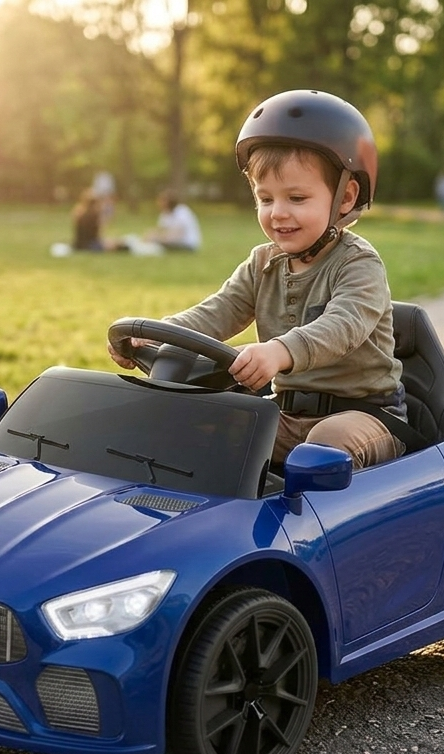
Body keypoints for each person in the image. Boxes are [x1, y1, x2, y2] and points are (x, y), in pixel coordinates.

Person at [108, 90, 413, 470]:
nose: (278, 213)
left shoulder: (359, 265)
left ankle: (310, 525)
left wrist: (280, 351)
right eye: (265, 199)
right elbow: (217, 312)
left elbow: (343, 326)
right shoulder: (262, 264)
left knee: (324, 447)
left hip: (367, 417)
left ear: (346, 197)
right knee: (196, 426)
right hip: (284, 415)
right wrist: (155, 332)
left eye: (297, 198)